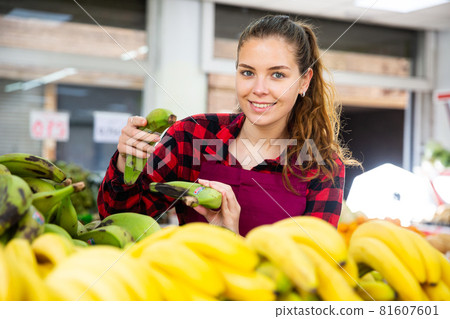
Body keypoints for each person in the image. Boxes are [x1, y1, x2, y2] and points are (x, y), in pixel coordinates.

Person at [97, 15, 358, 236]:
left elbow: (312, 269)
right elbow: (120, 223)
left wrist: (231, 241)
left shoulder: (321, 165)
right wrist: (126, 163)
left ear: (304, 81)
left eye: (277, 75)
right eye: (247, 72)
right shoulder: (190, 137)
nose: (259, 89)